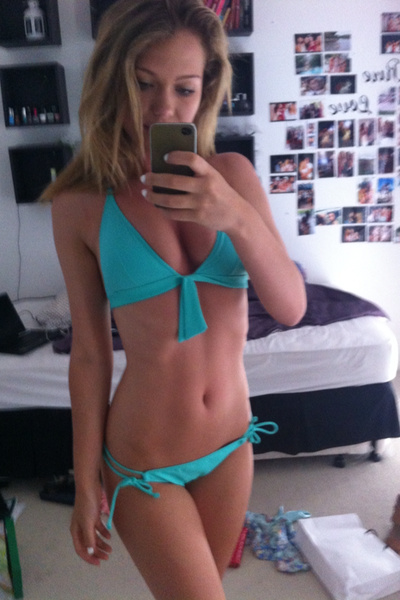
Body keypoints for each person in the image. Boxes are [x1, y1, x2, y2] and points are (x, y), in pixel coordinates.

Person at [43, 1, 306, 598]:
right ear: (113, 81)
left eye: (184, 89)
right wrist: (85, 483)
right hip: (145, 464)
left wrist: (235, 216)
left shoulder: (234, 177)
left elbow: (290, 307)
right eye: (144, 84)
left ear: (205, 91)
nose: (164, 108)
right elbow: (90, 354)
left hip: (232, 445)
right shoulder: (79, 204)